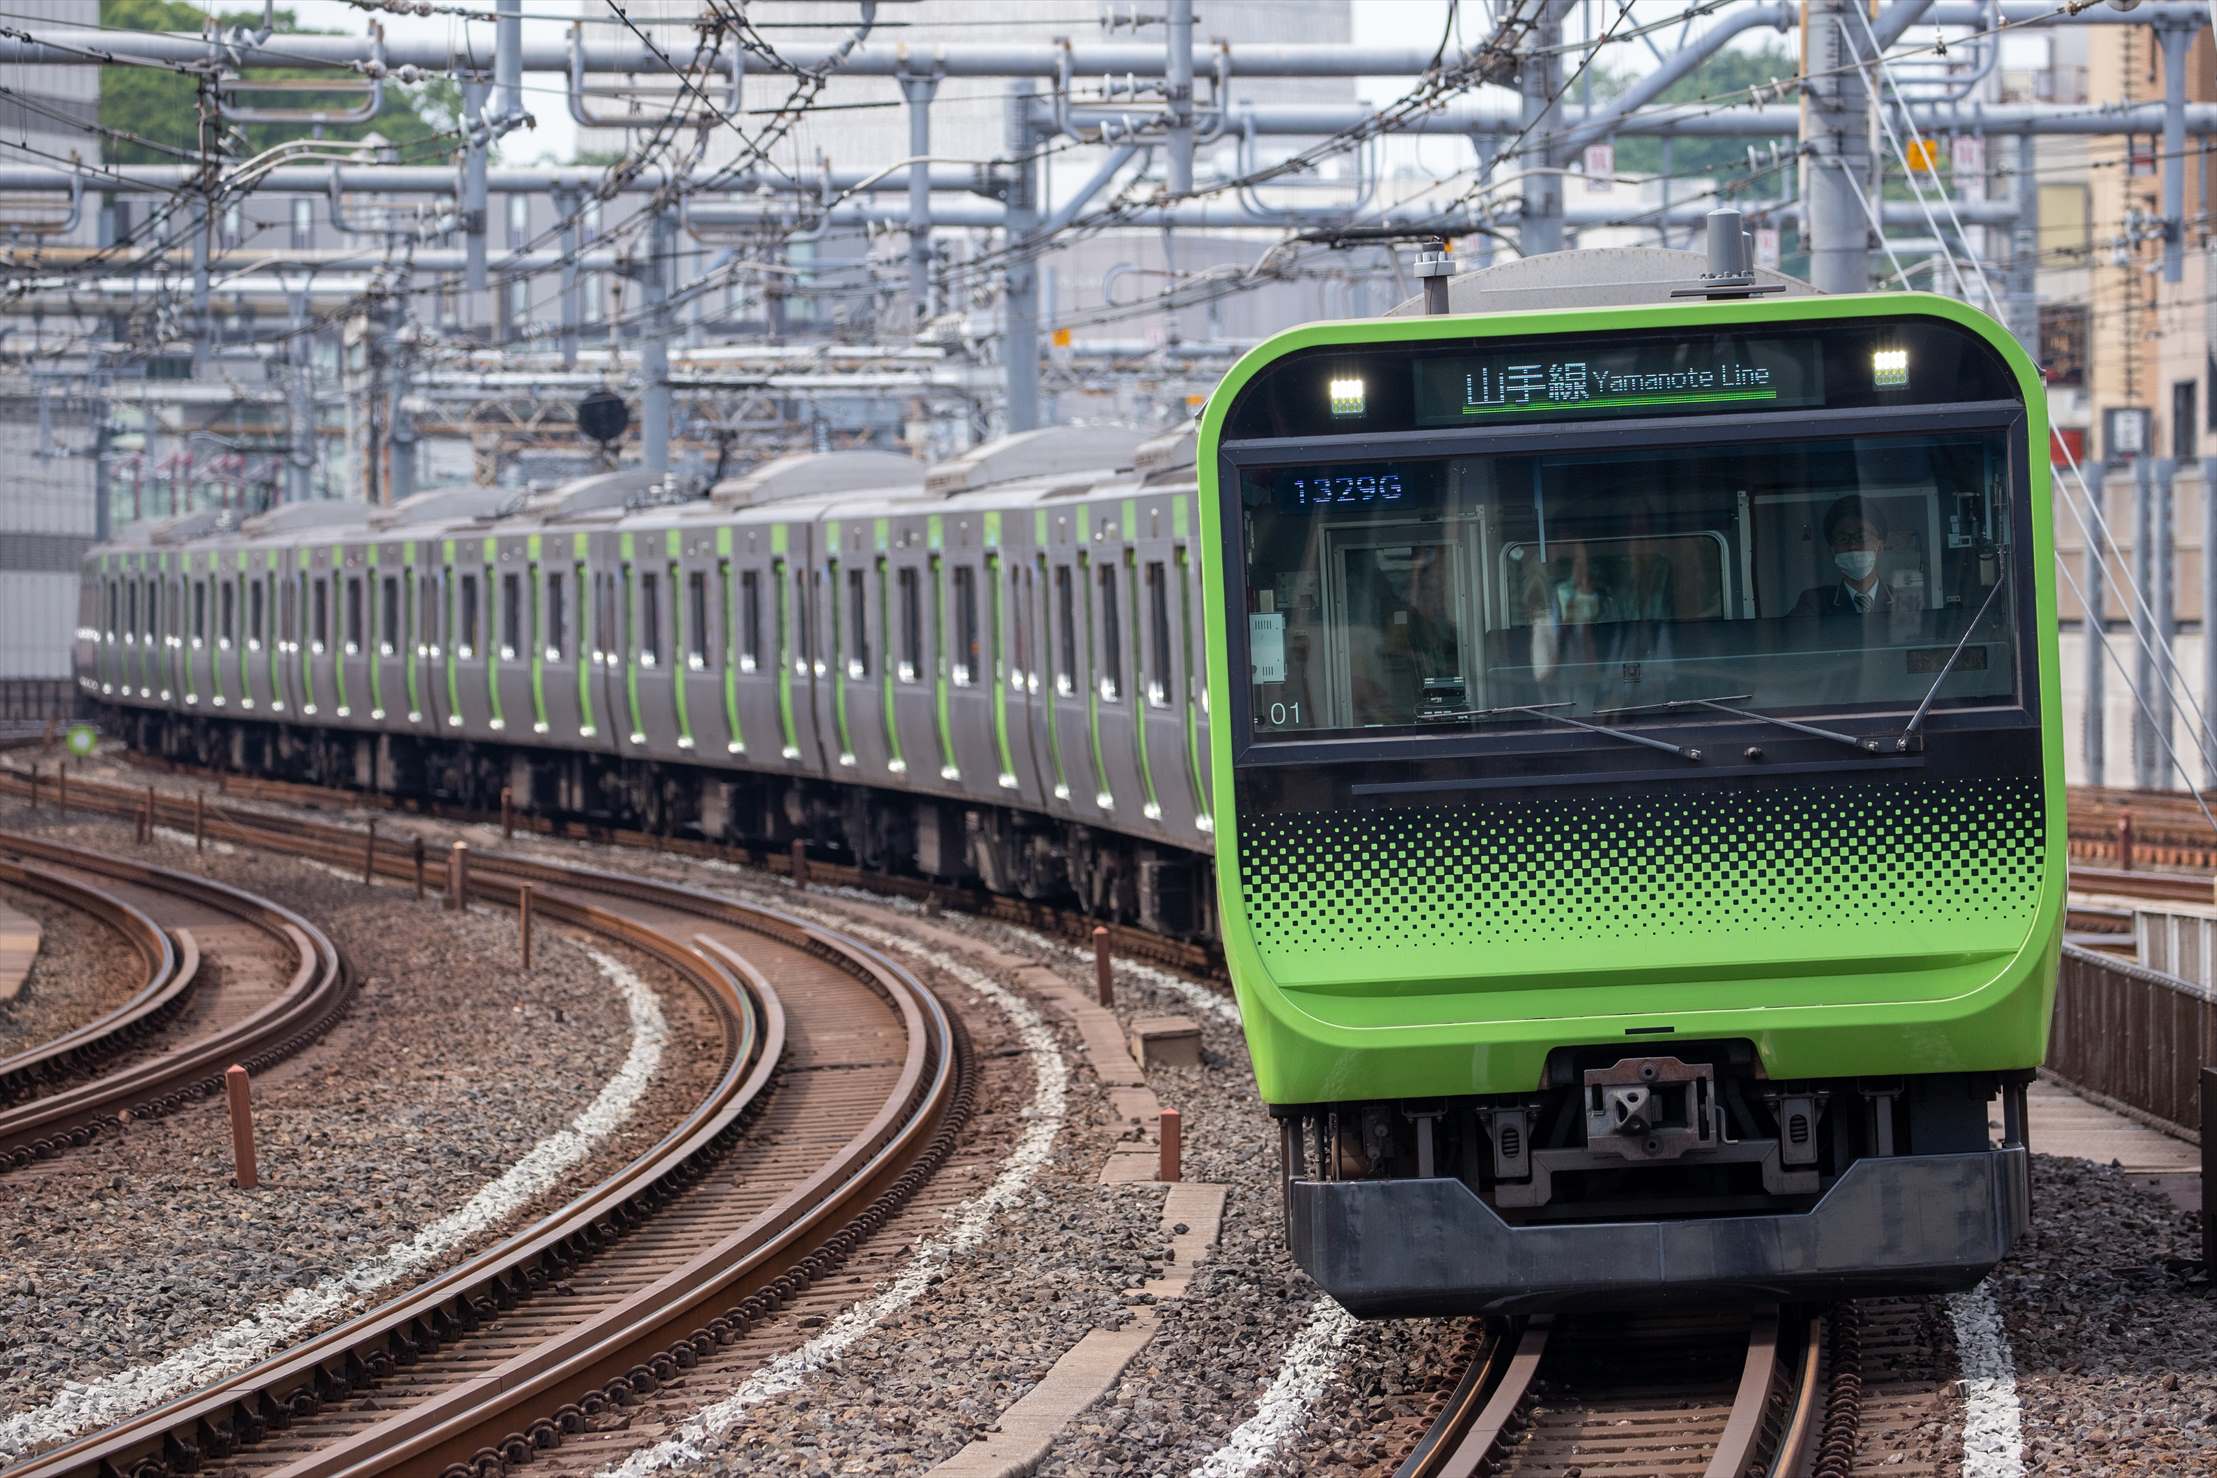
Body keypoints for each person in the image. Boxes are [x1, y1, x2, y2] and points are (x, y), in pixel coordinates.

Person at [1792, 496, 1920, 621]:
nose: (1852, 545)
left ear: (1879, 547)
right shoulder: (1815, 603)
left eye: (1861, 537)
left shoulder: (1903, 600)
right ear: (1833, 551)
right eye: (1843, 539)